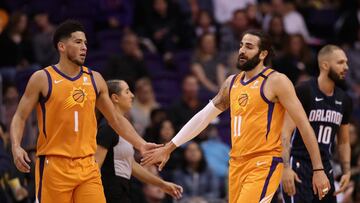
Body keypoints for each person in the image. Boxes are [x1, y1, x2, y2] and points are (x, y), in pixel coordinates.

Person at [141, 29, 330, 203]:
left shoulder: (276, 81)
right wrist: (170, 147)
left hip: (264, 163)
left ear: (263, 54)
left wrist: (318, 169)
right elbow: (203, 117)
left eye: (249, 47)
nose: (242, 50)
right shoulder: (231, 83)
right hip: (237, 164)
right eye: (241, 45)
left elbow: (304, 125)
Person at [10, 20, 160, 203]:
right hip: (54, 165)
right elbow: (20, 116)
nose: (84, 47)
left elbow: (115, 119)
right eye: (78, 42)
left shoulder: (95, 79)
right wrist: (16, 146)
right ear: (62, 46)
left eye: (86, 43)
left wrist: (141, 144)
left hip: (88, 165)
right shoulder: (42, 78)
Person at [281, 45, 352, 203]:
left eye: (346, 62)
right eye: (340, 62)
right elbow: (285, 132)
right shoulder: (304, 91)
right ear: (325, 65)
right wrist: (285, 168)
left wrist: (346, 170)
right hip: (299, 165)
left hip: (326, 168)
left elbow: (344, 141)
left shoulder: (344, 100)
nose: (346, 67)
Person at [95, 79, 182, 203]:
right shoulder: (108, 128)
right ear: (115, 98)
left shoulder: (124, 129)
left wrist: (162, 184)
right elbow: (95, 167)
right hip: (108, 192)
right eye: (127, 92)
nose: (132, 95)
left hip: (122, 190)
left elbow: (131, 165)